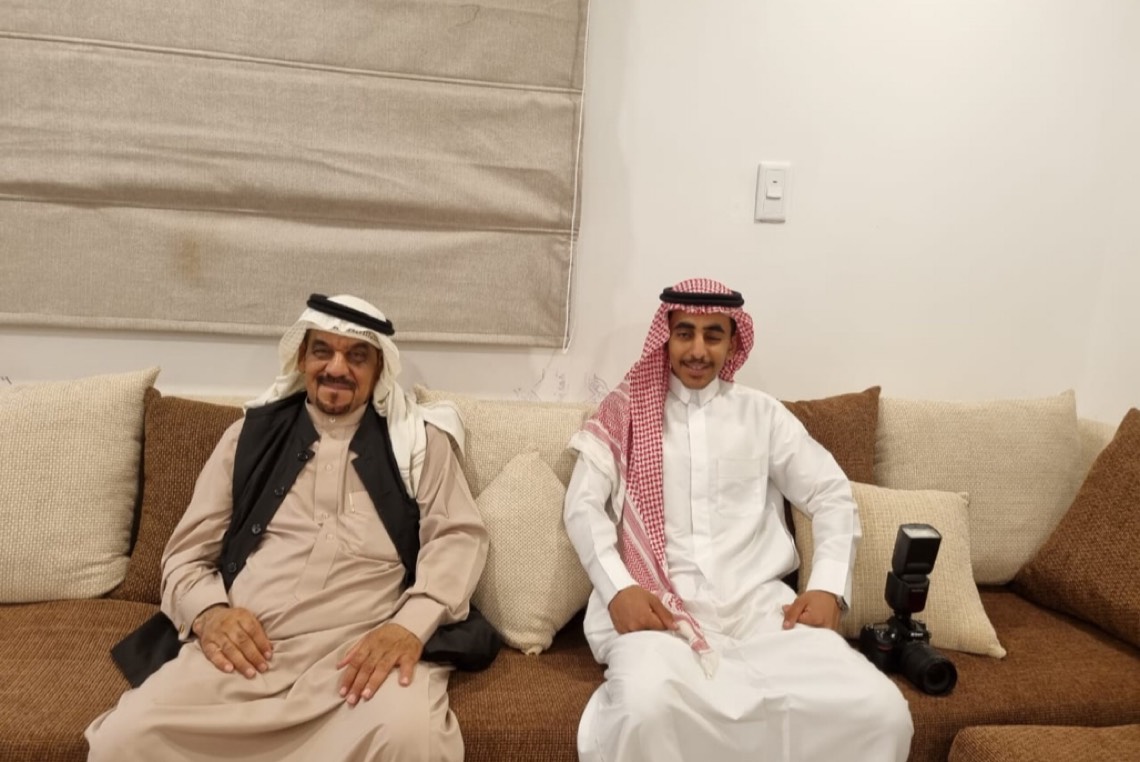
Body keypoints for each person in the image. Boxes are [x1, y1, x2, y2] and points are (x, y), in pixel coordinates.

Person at [87, 294, 496, 762]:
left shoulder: (419, 442)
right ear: (302, 358)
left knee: (410, 737)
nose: (337, 368)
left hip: (361, 658)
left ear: (379, 368)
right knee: (125, 738)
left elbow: (457, 539)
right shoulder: (247, 439)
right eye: (323, 351)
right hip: (250, 655)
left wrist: (409, 627)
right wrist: (210, 614)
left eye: (356, 356)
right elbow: (185, 555)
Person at [563, 278, 913, 762]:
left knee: (881, 710)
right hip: (659, 617)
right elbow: (581, 507)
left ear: (733, 343)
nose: (698, 350)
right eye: (685, 333)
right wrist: (618, 589)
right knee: (646, 710)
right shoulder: (625, 415)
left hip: (762, 615)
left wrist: (829, 586)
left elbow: (831, 492)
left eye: (713, 335)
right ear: (665, 338)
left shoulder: (762, 415)